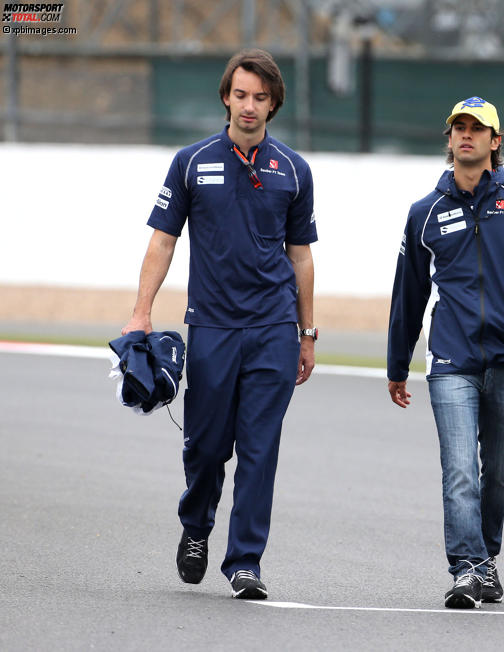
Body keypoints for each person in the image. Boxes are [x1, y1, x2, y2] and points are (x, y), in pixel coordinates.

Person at [122, 48, 318, 601]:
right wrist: (142, 312)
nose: (248, 106)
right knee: (207, 447)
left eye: (259, 97)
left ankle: (246, 561)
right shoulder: (190, 161)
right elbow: (163, 241)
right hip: (210, 327)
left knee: (260, 448)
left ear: (273, 103)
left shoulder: (294, 171)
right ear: (225, 98)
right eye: (240, 94)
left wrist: (306, 332)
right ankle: (195, 526)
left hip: (275, 330)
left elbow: (301, 257)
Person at [387, 96, 504, 609]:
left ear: (496, 141)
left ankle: (485, 557)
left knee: (498, 472)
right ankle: (467, 567)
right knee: (459, 469)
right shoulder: (424, 212)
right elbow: (408, 293)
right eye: (459, 128)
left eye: (478, 129)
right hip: (449, 358)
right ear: (449, 139)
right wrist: (396, 365)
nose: (466, 135)